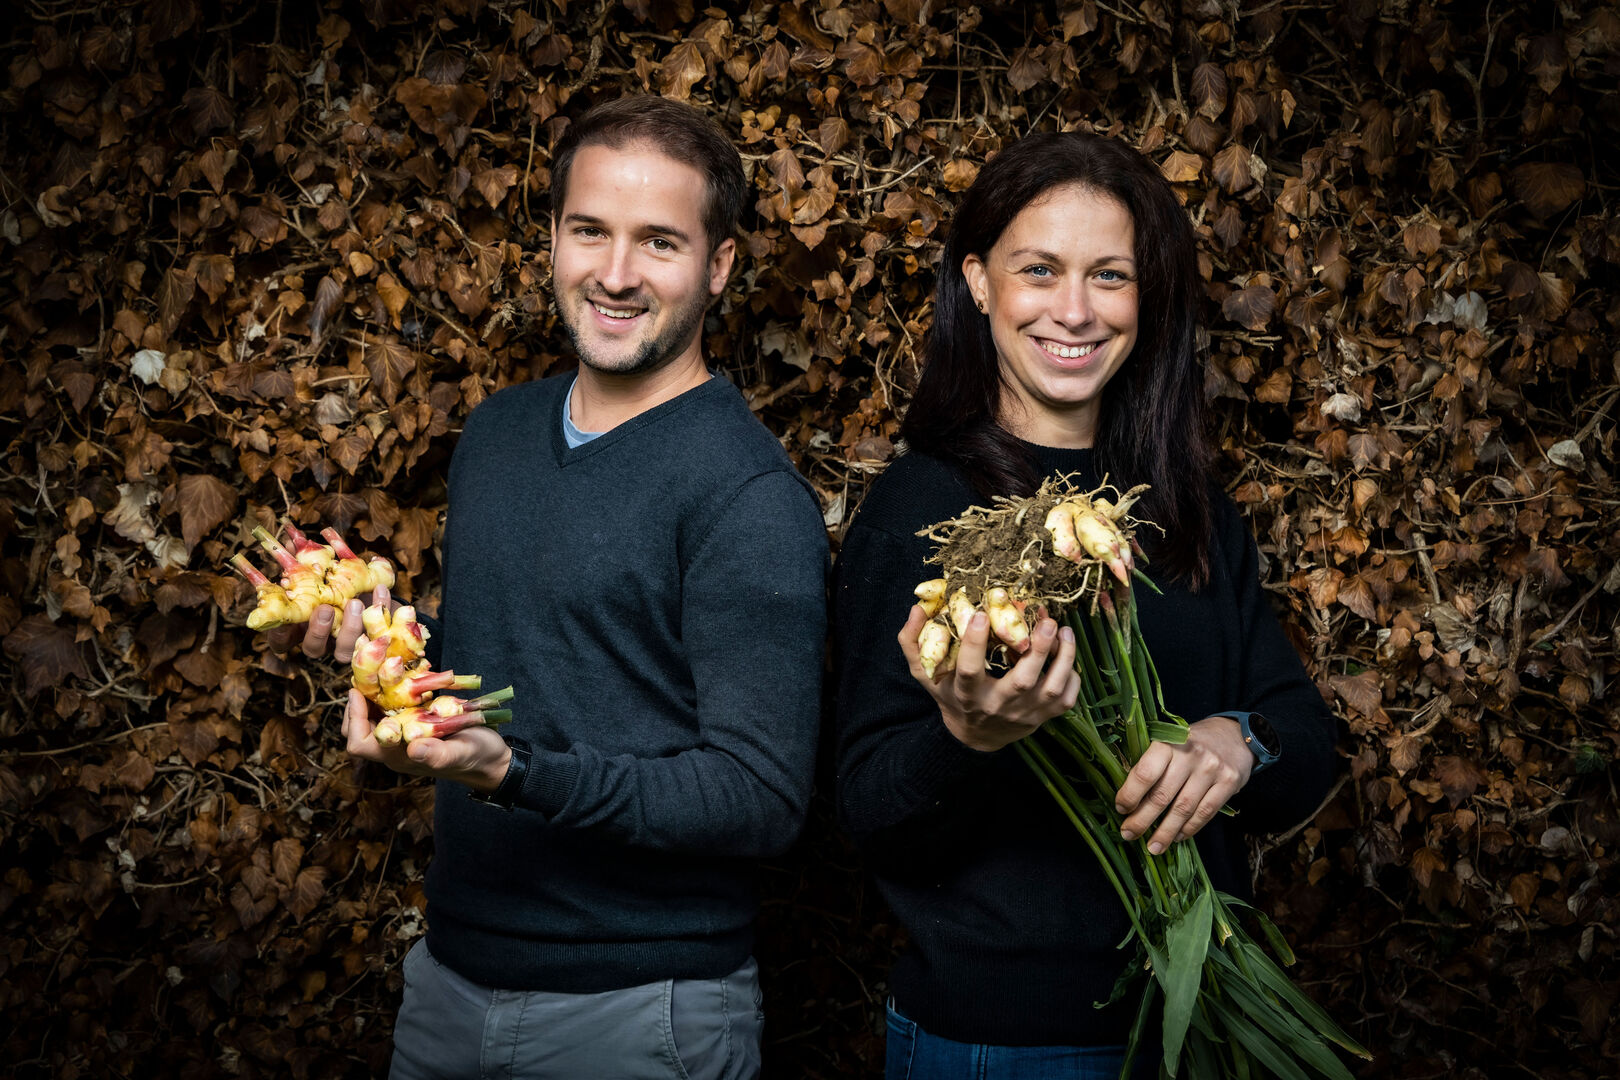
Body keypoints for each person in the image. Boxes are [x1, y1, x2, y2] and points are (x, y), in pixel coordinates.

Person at [281, 96, 827, 1079]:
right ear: (553, 238)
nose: (615, 275)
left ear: (722, 265)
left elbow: (760, 797)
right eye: (590, 232)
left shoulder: (747, 494)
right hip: (449, 985)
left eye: (659, 242)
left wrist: (513, 773)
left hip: (640, 1015)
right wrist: (394, 640)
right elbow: (535, 665)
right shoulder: (496, 435)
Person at [831, 131, 1339, 1078]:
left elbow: (1307, 741)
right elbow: (867, 814)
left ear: (1149, 299)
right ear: (980, 282)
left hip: (1203, 1027)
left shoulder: (1184, 510)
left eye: (1110, 276)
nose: (1074, 310)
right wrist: (970, 740)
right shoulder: (925, 513)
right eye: (1039, 270)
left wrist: (1239, 739)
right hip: (1007, 1042)